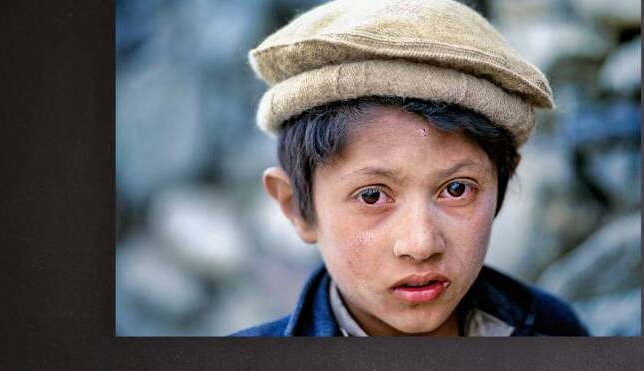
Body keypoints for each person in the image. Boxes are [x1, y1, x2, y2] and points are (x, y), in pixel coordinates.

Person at [232, 0, 589, 337]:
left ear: (503, 183)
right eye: (372, 196)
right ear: (296, 206)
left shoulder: (553, 331)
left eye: (457, 189)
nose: (421, 245)